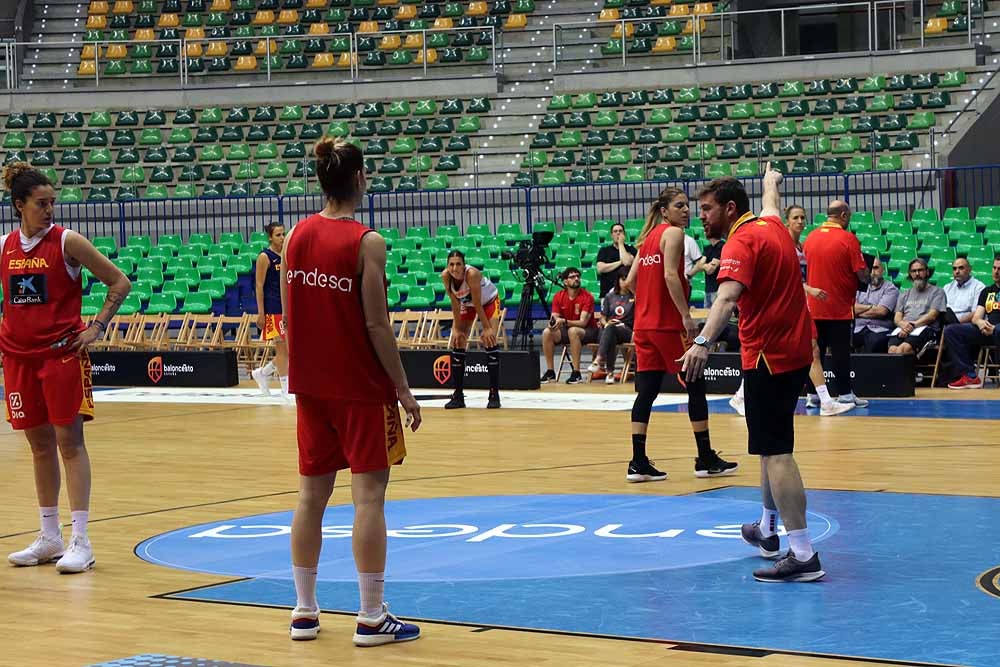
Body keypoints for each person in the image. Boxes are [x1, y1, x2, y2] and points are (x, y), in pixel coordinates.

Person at [281, 138, 421, 646]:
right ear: (360, 178)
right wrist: (403, 388)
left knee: (310, 497)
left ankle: (303, 611)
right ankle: (370, 616)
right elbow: (377, 326)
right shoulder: (367, 242)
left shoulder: (294, 236)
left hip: (312, 387)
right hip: (360, 387)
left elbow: (290, 317)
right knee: (369, 499)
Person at [680, 164, 826, 582]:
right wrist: (770, 181)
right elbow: (772, 204)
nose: (701, 216)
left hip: (768, 357)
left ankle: (803, 554)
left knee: (777, 452)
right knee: (768, 446)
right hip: (793, 351)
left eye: (707, 209)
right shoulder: (771, 225)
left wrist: (702, 343)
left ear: (730, 208)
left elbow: (726, 299)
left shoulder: (741, 242)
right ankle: (767, 528)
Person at [2, 163, 131, 574]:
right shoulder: (4, 246)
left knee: (69, 443)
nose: (49, 210)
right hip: (18, 358)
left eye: (52, 202)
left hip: (61, 355)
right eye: (41, 203)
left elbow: (119, 282)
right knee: (39, 446)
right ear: (19, 205)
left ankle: (81, 540)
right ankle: (49, 536)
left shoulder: (67, 242)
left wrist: (97, 327)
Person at [624, 187, 738, 482]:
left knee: (647, 392)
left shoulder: (647, 239)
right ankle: (705, 458)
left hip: (644, 326)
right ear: (664, 211)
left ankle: (638, 462)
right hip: (667, 326)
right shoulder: (673, 234)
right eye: (679, 206)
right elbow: (670, 275)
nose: (686, 210)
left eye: (687, 205)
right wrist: (685, 315)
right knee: (696, 385)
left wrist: (649, 301)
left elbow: (630, 282)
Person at [728, 205, 853, 418]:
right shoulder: (782, 242)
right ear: (786, 221)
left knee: (811, 349)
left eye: (803, 217)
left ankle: (819, 399)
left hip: (797, 306)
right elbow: (783, 278)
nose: (800, 221)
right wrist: (809, 289)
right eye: (795, 217)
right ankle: (825, 402)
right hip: (783, 306)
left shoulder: (800, 245)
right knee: (807, 348)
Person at [802, 200, 870, 408]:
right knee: (841, 352)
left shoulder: (810, 238)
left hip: (814, 306)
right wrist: (866, 274)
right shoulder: (848, 239)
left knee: (816, 353)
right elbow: (861, 273)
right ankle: (845, 394)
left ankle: (813, 395)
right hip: (839, 307)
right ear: (843, 215)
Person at [440, 250, 501, 409]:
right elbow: (455, 304)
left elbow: (477, 303)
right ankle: (458, 395)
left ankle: (494, 394)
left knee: (490, 339)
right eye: (451, 264)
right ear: (447, 266)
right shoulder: (445, 276)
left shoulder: (472, 274)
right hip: (466, 304)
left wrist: (486, 328)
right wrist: (456, 328)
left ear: (464, 265)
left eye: (458, 264)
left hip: (488, 302)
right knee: (458, 340)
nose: (455, 268)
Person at [944, 256, 1000, 389]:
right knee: (951, 330)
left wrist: (994, 328)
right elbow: (977, 316)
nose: (996, 272)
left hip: (997, 329)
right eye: (994, 268)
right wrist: (980, 323)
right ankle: (970, 376)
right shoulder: (987, 291)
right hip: (987, 331)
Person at [539, 267, 599, 384]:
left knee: (573, 331)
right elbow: (554, 317)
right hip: (568, 330)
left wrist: (564, 321)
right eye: (572, 277)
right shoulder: (558, 296)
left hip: (589, 331)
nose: (576, 279)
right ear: (565, 282)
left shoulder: (587, 297)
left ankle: (576, 373)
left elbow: (583, 322)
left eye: (578, 276)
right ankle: (550, 372)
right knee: (547, 332)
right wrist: (552, 323)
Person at [251, 222, 289, 399]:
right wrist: (261, 312)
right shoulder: (264, 257)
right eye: (278, 235)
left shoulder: (286, 255)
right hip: (273, 308)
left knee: (288, 352)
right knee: (281, 351)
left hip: (286, 307)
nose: (282, 238)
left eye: (283, 234)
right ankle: (286, 389)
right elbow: (259, 286)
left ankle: (262, 373)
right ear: (270, 237)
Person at [887, 258, 947, 356]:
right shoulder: (904, 294)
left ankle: (913, 365)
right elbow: (897, 318)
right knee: (892, 350)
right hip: (904, 328)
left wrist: (912, 326)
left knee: (903, 350)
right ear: (910, 274)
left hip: (926, 329)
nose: (917, 274)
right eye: (914, 271)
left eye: (920, 270)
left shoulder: (937, 292)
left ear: (927, 272)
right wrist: (904, 326)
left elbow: (932, 316)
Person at [587, 268, 634, 383]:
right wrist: (607, 323)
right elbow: (603, 318)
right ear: (618, 280)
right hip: (611, 330)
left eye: (627, 279)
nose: (625, 282)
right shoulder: (609, 296)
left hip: (627, 330)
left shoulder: (635, 296)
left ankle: (598, 359)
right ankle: (610, 374)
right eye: (622, 279)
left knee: (610, 330)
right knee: (611, 333)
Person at [853, 256, 898, 353]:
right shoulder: (859, 286)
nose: (872, 272)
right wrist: (871, 307)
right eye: (870, 268)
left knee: (874, 341)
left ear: (883, 270)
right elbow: (851, 309)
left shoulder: (890, 288)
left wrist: (858, 313)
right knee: (840, 336)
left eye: (876, 268)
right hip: (858, 328)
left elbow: (881, 312)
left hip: (880, 329)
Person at [595, 222, 636, 299]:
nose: (618, 233)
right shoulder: (604, 250)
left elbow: (627, 262)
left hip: (627, 293)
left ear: (624, 234)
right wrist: (620, 262)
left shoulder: (631, 249)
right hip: (607, 293)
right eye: (615, 231)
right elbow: (600, 269)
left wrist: (620, 244)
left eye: (620, 231)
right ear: (611, 235)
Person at [942, 257, 984, 324]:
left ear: (969, 269)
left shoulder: (978, 287)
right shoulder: (947, 287)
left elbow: (976, 313)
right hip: (946, 323)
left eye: (961, 268)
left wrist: (956, 324)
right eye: (954, 269)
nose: (957, 271)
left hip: (965, 325)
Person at [701, 231, 724, 307]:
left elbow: (710, 270)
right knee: (705, 313)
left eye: (706, 230)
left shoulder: (722, 246)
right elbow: (699, 265)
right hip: (708, 289)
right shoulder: (707, 248)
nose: (704, 232)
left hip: (718, 289)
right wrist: (706, 265)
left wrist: (704, 265)